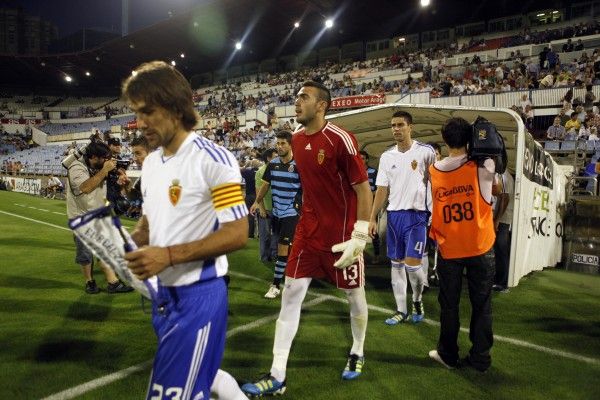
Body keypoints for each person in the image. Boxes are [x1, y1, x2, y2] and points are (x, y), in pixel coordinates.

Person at [122, 61, 248, 400]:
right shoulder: (150, 163)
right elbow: (149, 222)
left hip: (199, 297)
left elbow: (237, 232)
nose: (140, 122)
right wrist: (129, 243)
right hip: (162, 297)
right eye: (137, 113)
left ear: (176, 108)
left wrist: (168, 255)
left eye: (148, 112)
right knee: (204, 381)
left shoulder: (213, 159)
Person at [242, 81, 373, 396]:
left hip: (342, 237)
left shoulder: (341, 139)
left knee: (354, 296)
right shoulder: (297, 141)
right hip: (308, 233)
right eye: (296, 97)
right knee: (290, 295)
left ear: (322, 105)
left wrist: (360, 233)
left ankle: (357, 348)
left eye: (304, 97)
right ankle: (277, 375)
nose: (297, 102)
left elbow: (362, 188)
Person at [428, 117, 497, 373]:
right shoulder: (485, 164)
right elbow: (495, 160)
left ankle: (448, 354)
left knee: (449, 304)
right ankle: (480, 359)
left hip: (450, 248)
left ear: (445, 140)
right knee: (482, 305)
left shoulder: (434, 170)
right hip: (480, 246)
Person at [369, 111, 436, 325]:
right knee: (396, 265)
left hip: (417, 216)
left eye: (400, 125)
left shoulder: (426, 152)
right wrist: (372, 217)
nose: (396, 129)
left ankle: (417, 299)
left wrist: (436, 211)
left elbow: (437, 183)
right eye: (393, 125)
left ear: (410, 127)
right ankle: (401, 310)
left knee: (413, 266)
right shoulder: (387, 157)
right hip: (394, 216)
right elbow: (381, 189)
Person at [65, 141, 134, 295]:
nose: (106, 161)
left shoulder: (98, 166)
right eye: (104, 158)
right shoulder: (77, 167)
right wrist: (104, 170)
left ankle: (113, 283)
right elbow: (85, 187)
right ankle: (89, 281)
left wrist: (121, 180)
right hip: (82, 216)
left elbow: (109, 187)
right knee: (85, 253)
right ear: (94, 157)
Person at [250, 130, 301, 299]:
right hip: (277, 214)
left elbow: (308, 188)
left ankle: (276, 285)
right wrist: (257, 202)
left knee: (282, 248)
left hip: (291, 212)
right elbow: (264, 186)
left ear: (290, 144)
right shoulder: (273, 165)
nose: (279, 146)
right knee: (286, 249)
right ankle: (292, 279)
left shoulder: (299, 164)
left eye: (283, 143)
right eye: (277, 143)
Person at [255, 148, 279, 263]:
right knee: (265, 235)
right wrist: (262, 208)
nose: (278, 157)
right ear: (268, 158)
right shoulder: (261, 171)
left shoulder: (278, 169)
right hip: (267, 208)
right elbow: (258, 192)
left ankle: (274, 255)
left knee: (276, 235)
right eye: (275, 156)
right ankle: (264, 257)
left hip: (278, 208)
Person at [493, 170, 514, 293]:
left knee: (502, 249)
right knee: (498, 249)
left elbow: (505, 198)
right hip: (499, 218)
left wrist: (498, 220)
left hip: (504, 219)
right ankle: (498, 280)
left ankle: (503, 282)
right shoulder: (499, 175)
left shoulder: (505, 176)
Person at [359, 150, 381, 264]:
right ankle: (359, 255)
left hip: (371, 205)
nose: (361, 161)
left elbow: (378, 189)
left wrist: (369, 195)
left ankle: (377, 255)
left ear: (367, 159)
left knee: (373, 231)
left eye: (363, 158)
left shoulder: (373, 172)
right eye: (359, 158)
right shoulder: (355, 172)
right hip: (359, 206)